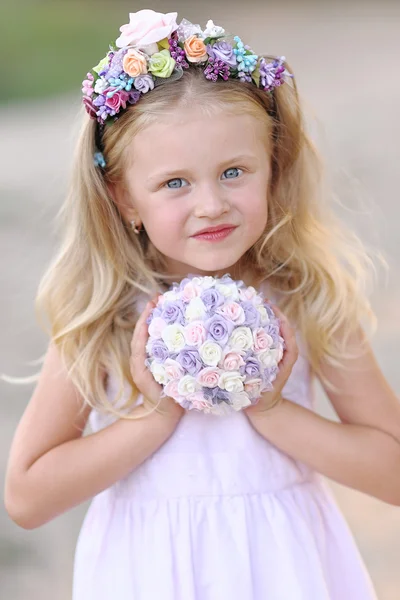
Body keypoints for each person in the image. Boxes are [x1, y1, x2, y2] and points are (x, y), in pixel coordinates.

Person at [4, 8, 400, 600]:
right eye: (175, 183)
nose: (211, 204)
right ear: (124, 198)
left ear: (274, 167)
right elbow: (28, 497)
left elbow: (392, 470)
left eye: (234, 172)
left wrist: (270, 409)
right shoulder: (107, 316)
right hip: (149, 578)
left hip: (285, 573)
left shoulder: (305, 299)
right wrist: (157, 412)